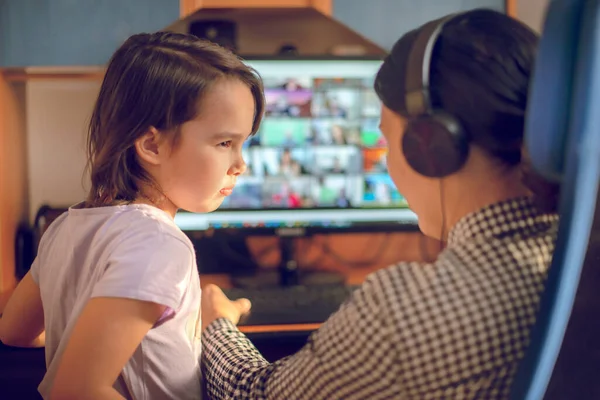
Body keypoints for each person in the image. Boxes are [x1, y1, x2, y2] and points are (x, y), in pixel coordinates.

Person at [200, 9, 560, 399]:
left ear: (432, 148)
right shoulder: (570, 260)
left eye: (389, 142)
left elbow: (257, 395)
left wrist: (217, 325)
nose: (388, 164)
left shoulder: (406, 312)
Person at [0, 31, 264, 399]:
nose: (240, 164)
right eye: (224, 143)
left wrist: (82, 348)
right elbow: (76, 389)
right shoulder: (160, 245)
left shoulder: (66, 226)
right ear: (151, 145)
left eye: (242, 143)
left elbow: (14, 330)